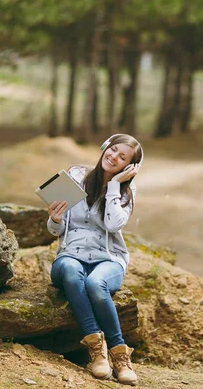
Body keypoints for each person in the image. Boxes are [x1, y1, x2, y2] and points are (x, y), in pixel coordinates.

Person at [46, 133, 143, 386]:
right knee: (69, 269)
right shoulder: (76, 176)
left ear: (128, 167)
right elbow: (56, 230)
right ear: (104, 147)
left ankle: (120, 356)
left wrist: (113, 186)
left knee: (95, 284)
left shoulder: (125, 191)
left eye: (122, 158)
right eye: (113, 150)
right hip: (71, 255)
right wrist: (55, 219)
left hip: (108, 259)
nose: (113, 157)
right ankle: (96, 351)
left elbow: (113, 224)